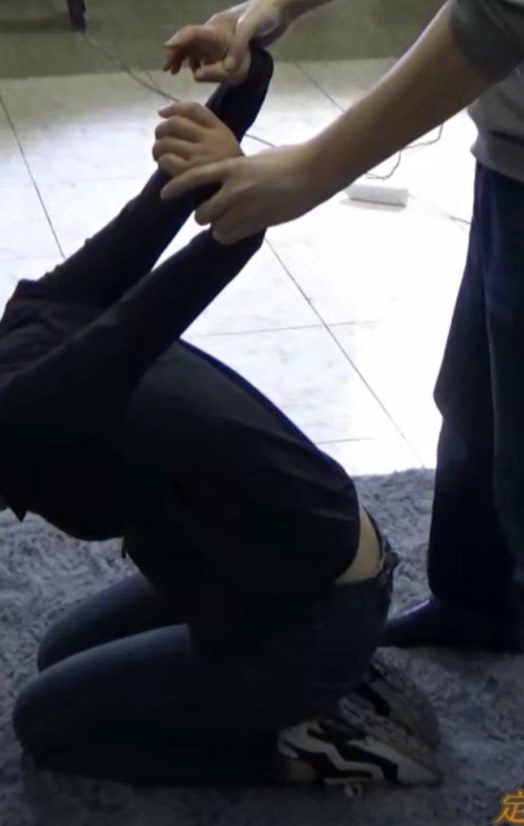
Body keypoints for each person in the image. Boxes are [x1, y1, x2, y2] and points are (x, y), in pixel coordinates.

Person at [0, 49, 439, 787]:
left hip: (314, 605)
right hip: (305, 553)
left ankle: (310, 739)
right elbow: (154, 210)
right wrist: (245, 78)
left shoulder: (5, 430)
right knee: (61, 652)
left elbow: (148, 315)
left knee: (46, 724)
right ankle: (321, 681)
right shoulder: (19, 334)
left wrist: (243, 191)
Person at [158, 0, 524, 654]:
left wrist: (308, 171)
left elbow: (501, 16)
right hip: (511, 155)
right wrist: (273, 9)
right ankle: (476, 604)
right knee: (476, 406)